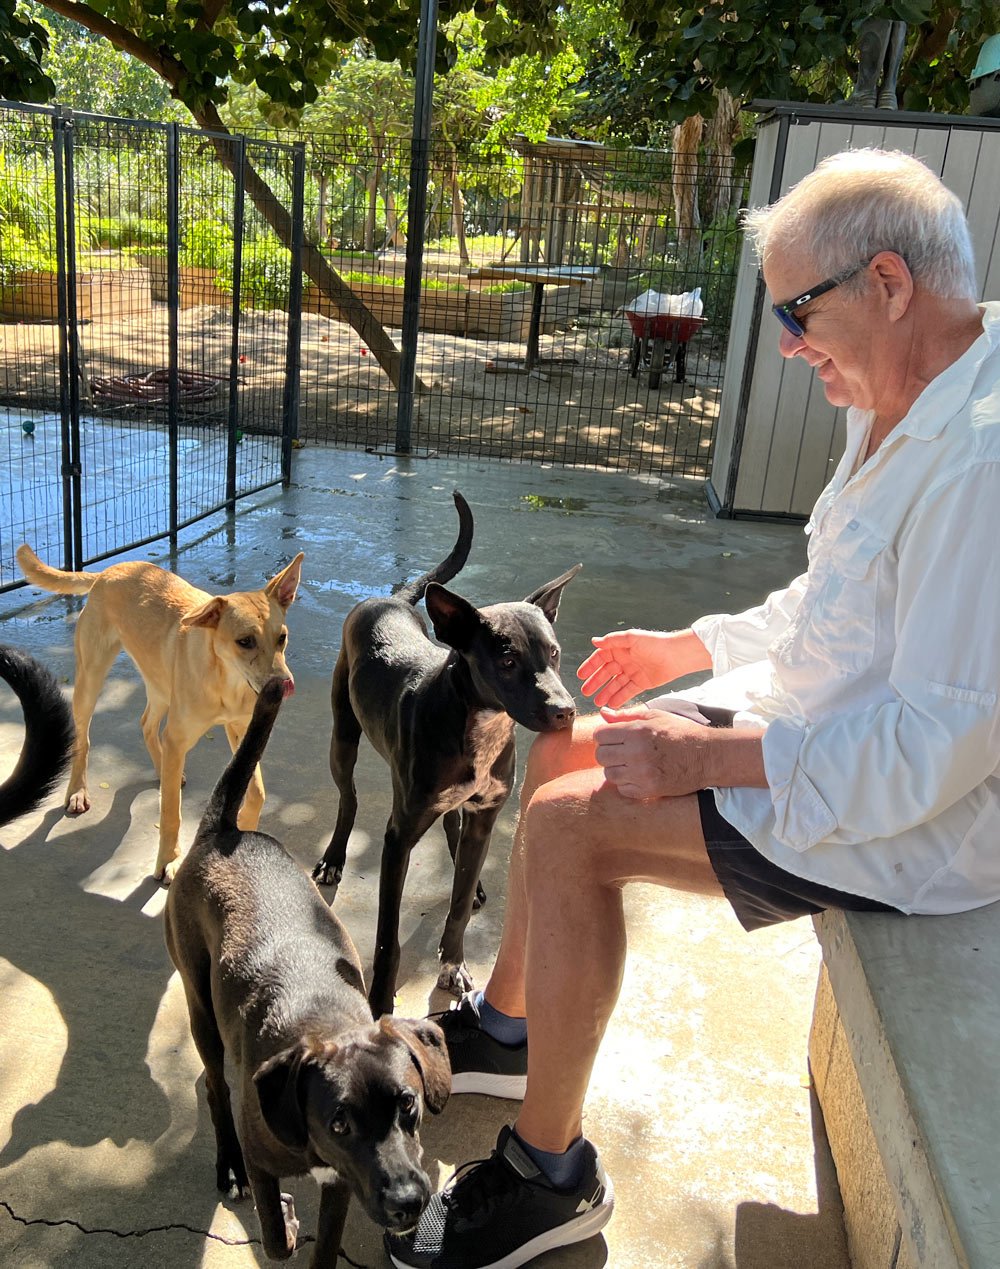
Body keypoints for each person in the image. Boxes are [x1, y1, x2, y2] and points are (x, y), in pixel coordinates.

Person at [387, 147, 1000, 1269]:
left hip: (918, 821)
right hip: (821, 725)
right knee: (561, 741)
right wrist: (695, 646)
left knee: (574, 834)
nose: (784, 341)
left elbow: (932, 752)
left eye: (794, 310)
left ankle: (547, 1174)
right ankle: (511, 1034)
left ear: (889, 284)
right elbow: (835, 602)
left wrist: (705, 760)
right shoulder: (904, 393)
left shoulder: (982, 460)